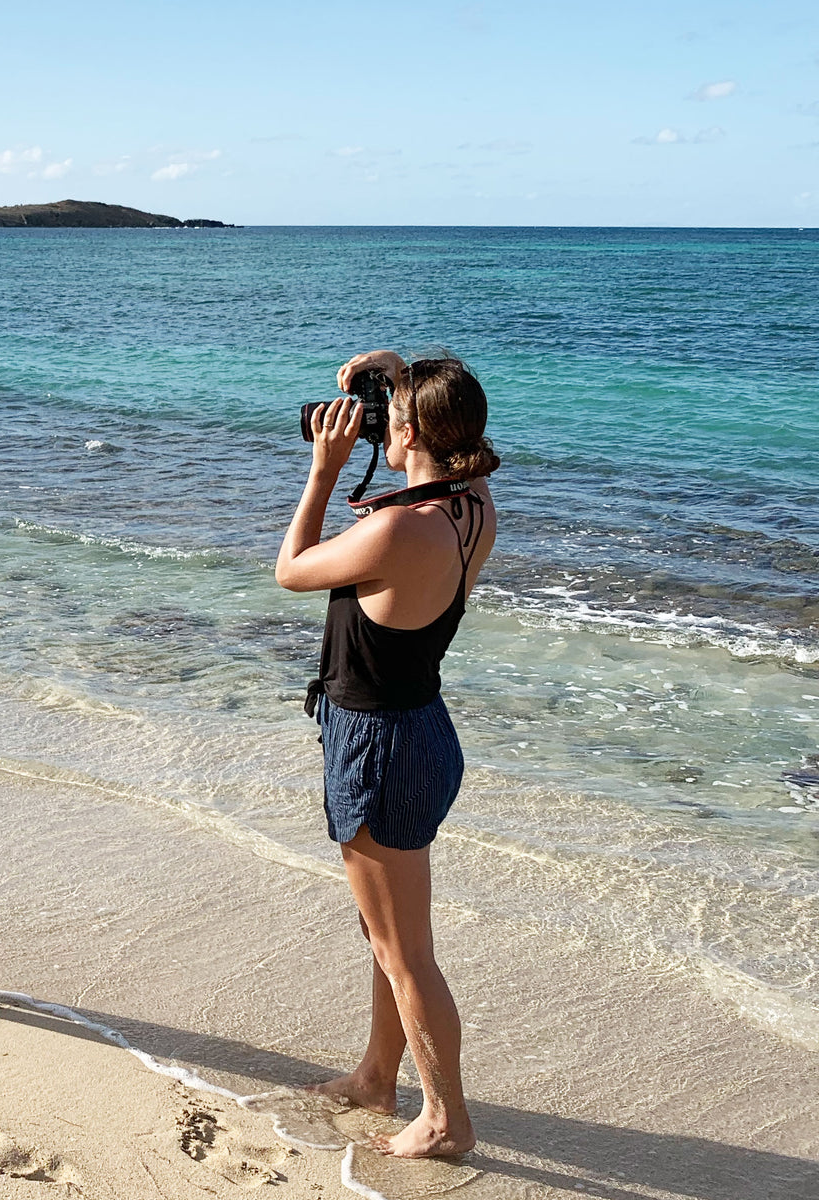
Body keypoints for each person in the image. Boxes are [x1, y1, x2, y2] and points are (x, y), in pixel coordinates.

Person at [274, 350, 499, 1158]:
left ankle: (446, 1120)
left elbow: (291, 568)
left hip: (379, 746)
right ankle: (377, 1075)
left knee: (407, 954)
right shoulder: (473, 504)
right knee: (386, 935)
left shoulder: (398, 527)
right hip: (423, 731)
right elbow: (436, 442)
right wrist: (400, 371)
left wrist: (324, 471)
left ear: (406, 430)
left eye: (389, 412)